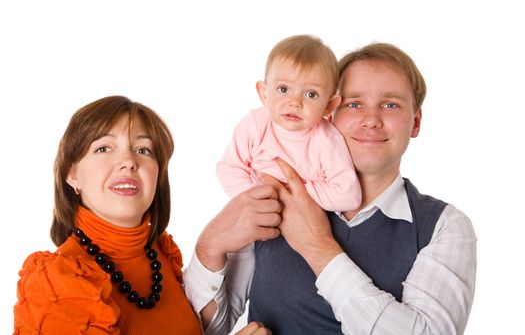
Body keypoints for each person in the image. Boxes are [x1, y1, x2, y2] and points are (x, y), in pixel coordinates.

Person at [184, 43, 477, 334]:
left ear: (415, 122)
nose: (371, 120)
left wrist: (318, 248)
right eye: (354, 103)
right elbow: (203, 330)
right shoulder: (271, 194)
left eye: (390, 105)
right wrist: (210, 246)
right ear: (329, 113)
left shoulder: (444, 227)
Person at [13, 96, 271, 335]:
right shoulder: (53, 284)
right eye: (103, 148)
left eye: (143, 150)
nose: (128, 161)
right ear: (72, 174)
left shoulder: (161, 255)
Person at [216, 34, 361, 212]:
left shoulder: (327, 139)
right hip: (258, 212)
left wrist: (290, 192)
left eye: (311, 94)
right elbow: (229, 168)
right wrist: (258, 198)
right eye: (283, 89)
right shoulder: (255, 124)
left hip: (303, 220)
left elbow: (349, 197)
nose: (295, 102)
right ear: (264, 94)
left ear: (328, 106)